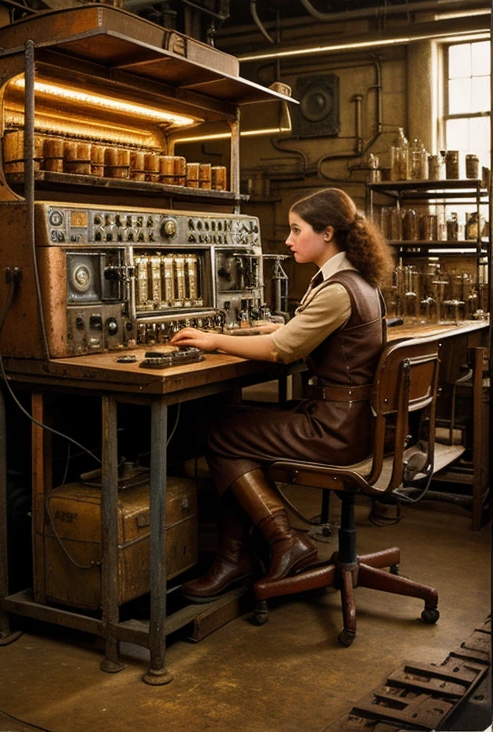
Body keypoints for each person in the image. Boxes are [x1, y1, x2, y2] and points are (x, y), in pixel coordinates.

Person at [169, 187, 394, 602]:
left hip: (334, 431)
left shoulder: (337, 290)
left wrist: (215, 340)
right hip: (355, 422)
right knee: (234, 431)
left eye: (296, 230)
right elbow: (298, 334)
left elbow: (281, 351)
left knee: (223, 435)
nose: (288, 240)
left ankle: (281, 543)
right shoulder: (359, 282)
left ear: (327, 233)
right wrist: (273, 328)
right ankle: (257, 551)